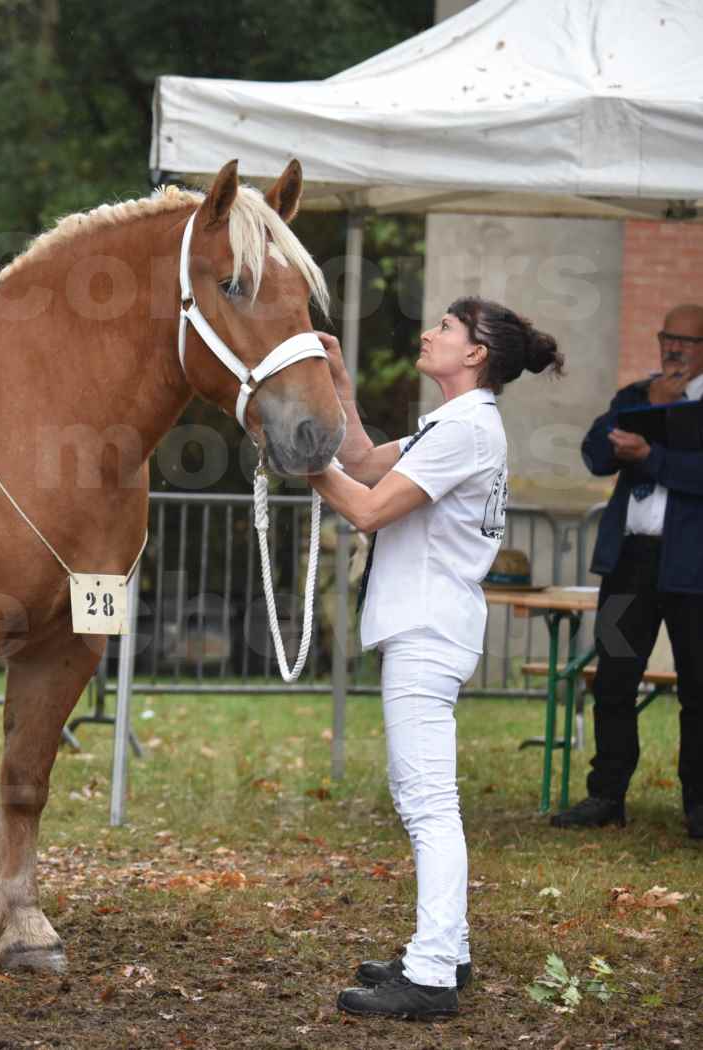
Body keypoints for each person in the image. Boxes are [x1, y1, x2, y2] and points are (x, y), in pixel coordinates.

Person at [307, 299, 564, 1020]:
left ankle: (429, 977)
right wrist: (339, 394)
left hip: (426, 626)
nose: (428, 334)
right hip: (426, 624)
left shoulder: (465, 430)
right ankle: (444, 951)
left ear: (476, 353)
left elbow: (364, 507)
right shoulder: (453, 424)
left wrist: (300, 458)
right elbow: (362, 462)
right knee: (420, 799)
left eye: (446, 329)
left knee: (427, 805)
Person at [551, 303, 703, 837]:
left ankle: (699, 806)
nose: (673, 349)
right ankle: (605, 796)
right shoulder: (636, 396)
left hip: (693, 568)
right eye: (667, 337)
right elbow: (596, 454)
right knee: (613, 679)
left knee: (698, 691)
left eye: (686, 341)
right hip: (630, 563)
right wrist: (643, 407)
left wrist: (650, 457)